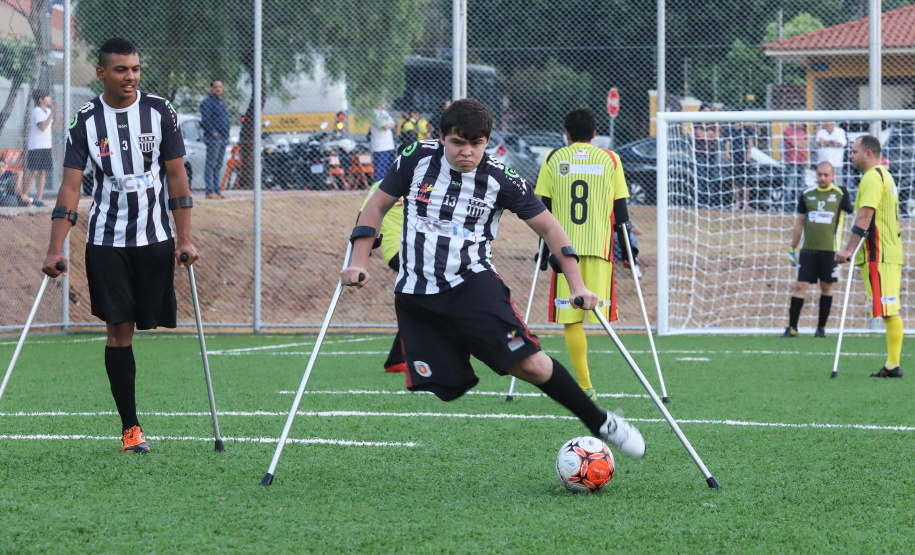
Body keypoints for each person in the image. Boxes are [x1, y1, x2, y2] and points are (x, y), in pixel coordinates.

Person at [341, 99, 646, 460]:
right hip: (417, 294)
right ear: (441, 137)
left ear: (487, 141)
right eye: (457, 143)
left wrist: (577, 284)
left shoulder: (501, 177)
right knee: (444, 385)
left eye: (477, 144)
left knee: (530, 364)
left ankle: (600, 422)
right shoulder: (414, 157)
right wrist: (358, 261)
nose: (466, 152)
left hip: (472, 285)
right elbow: (376, 206)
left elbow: (549, 227)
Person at [41, 37, 200, 452]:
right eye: (120, 70)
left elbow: (178, 178)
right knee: (118, 331)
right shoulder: (86, 121)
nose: (130, 77)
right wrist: (55, 248)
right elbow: (71, 188)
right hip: (106, 239)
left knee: (149, 322)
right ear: (101, 73)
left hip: (155, 238)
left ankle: (134, 424)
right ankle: (131, 429)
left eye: (135, 69)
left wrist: (185, 238)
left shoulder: (160, 110)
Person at [534, 108, 635, 400]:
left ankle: (585, 385)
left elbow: (543, 210)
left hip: (564, 252)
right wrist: (629, 251)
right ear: (594, 133)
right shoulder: (610, 159)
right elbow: (622, 212)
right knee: (599, 315)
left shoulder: (554, 158)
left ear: (566, 134)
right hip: (600, 249)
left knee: (573, 318)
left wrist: (541, 253)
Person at [835, 135, 904, 378]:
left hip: (879, 253)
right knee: (886, 309)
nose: (850, 155)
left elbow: (865, 217)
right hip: (887, 252)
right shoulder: (886, 175)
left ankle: (893, 366)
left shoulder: (873, 178)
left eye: (854, 151)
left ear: (868, 154)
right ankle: (892, 365)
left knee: (888, 310)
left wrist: (847, 250)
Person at [781, 162, 852, 338]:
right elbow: (799, 222)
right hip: (808, 251)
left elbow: (853, 216)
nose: (822, 178)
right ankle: (792, 328)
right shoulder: (807, 194)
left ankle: (821, 328)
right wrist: (793, 247)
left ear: (833, 176)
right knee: (799, 286)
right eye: (819, 174)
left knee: (827, 287)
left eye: (826, 175)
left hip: (830, 251)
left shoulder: (841, 193)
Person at [359, 144, 408, 373]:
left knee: (429, 301)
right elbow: (365, 216)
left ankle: (397, 359)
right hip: (401, 251)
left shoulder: (430, 183)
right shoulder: (384, 185)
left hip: (419, 250)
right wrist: (362, 253)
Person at [23, 89, 63, 207]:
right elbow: (42, 127)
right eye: (47, 96)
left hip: (46, 146)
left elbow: (50, 129)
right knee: (33, 172)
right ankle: (24, 197)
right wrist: (52, 114)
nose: (49, 98)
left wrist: (60, 120)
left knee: (42, 172)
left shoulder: (48, 111)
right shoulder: (37, 111)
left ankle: (38, 200)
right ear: (41, 99)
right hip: (36, 146)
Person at [199, 79, 230, 199]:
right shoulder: (207, 102)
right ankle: (209, 191)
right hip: (214, 138)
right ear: (211, 89)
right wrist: (213, 133)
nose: (218, 89)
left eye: (220, 87)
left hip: (223, 137)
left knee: (218, 164)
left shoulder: (220, 102)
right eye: (216, 87)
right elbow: (205, 120)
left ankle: (217, 190)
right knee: (211, 164)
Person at [724, 120, 755, 210]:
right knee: (736, 182)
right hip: (735, 158)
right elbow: (727, 142)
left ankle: (746, 204)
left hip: (745, 158)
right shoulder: (730, 130)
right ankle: (737, 203)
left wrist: (749, 153)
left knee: (746, 182)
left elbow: (750, 141)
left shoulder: (747, 129)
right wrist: (727, 152)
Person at [694, 103, 720, 208]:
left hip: (712, 154)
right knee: (701, 178)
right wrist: (707, 134)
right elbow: (698, 134)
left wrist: (706, 134)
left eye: (708, 112)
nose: (707, 114)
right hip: (700, 154)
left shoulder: (712, 123)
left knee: (712, 178)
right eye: (705, 111)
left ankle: (711, 201)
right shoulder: (696, 122)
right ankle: (700, 201)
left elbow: (714, 135)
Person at [782, 122, 810, 212]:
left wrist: (799, 143)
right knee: (789, 184)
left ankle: (800, 206)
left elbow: (808, 142)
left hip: (802, 161)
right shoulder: (787, 131)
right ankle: (787, 207)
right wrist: (800, 143)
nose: (801, 123)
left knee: (801, 184)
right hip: (792, 161)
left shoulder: (802, 131)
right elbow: (793, 143)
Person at [369, 103, 396, 181]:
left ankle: (382, 183)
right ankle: (377, 183)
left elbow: (393, 124)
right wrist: (388, 124)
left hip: (387, 143)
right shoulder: (374, 113)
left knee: (385, 164)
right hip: (379, 144)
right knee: (379, 165)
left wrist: (388, 125)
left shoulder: (384, 112)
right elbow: (384, 127)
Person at [815, 121, 847, 186]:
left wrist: (826, 142)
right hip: (823, 163)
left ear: (832, 124)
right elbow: (819, 143)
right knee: (823, 183)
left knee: (837, 184)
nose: (825, 125)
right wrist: (832, 142)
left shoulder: (840, 132)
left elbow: (841, 144)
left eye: (827, 123)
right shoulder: (821, 132)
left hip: (836, 163)